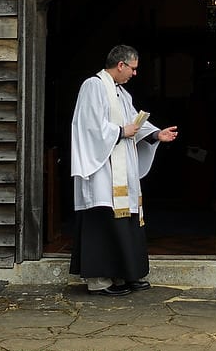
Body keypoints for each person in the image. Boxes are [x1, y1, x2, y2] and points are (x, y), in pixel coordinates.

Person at [69, 45, 178, 296]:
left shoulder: (121, 93)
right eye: (133, 68)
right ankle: (98, 281)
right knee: (103, 220)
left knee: (123, 221)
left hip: (120, 170)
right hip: (101, 171)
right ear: (121, 65)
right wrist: (119, 132)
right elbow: (88, 125)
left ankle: (122, 275)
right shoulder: (93, 86)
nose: (135, 74)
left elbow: (134, 123)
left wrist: (155, 134)